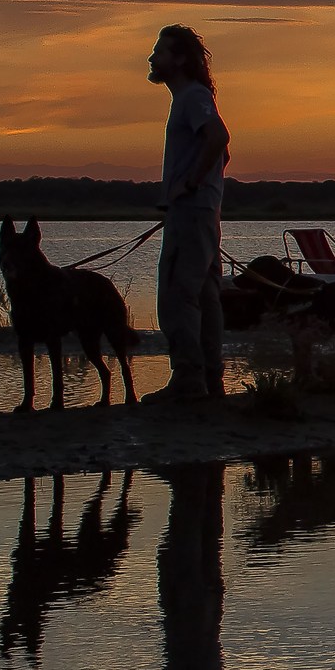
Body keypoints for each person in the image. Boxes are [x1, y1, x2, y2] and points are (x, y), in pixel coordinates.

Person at [148, 25, 230, 400]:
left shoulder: (192, 98)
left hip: (193, 212)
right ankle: (210, 379)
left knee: (177, 295)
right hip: (203, 213)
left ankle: (188, 379)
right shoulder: (191, 98)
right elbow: (222, 153)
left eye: (160, 52)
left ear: (179, 59)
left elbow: (218, 138)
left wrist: (191, 186)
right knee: (205, 296)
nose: (152, 58)